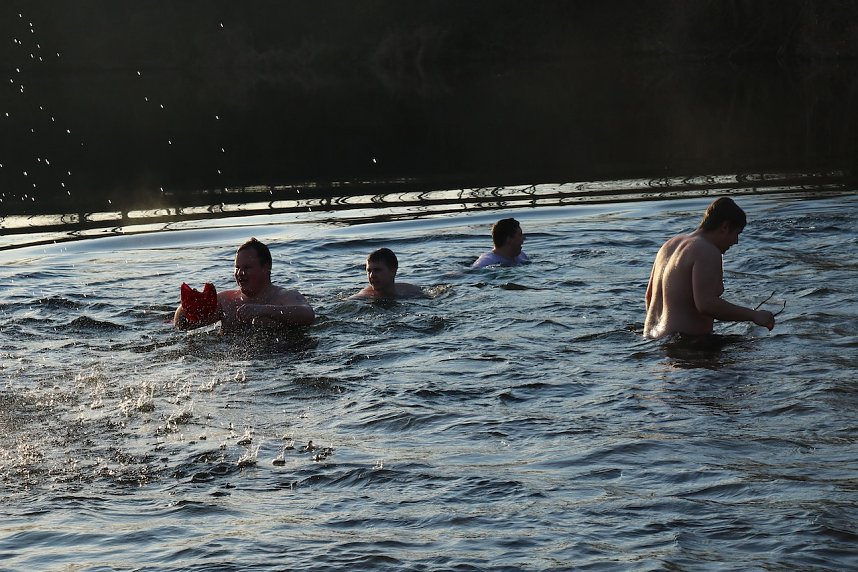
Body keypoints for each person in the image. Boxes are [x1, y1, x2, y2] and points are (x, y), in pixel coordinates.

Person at [644, 197, 775, 339]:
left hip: (652, 340)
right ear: (725, 227)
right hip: (687, 346)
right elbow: (706, 304)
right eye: (736, 234)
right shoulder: (707, 250)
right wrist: (754, 315)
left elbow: (649, 296)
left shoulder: (669, 245)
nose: (736, 241)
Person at [173, 238, 315, 333]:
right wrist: (189, 305)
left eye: (247, 267)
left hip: (281, 359)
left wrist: (263, 310)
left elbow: (308, 315)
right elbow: (182, 326)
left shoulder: (284, 296)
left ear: (266, 267)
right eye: (237, 267)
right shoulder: (226, 301)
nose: (240, 273)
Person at [351, 248, 424, 299]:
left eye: (377, 270)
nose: (372, 275)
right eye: (369, 271)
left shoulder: (412, 291)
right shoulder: (362, 297)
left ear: (393, 271)